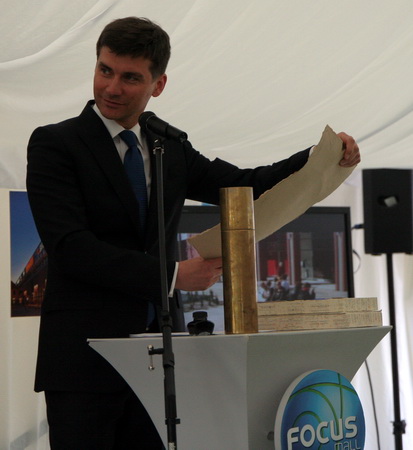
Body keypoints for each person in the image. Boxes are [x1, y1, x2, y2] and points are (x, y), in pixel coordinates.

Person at [26, 16, 360, 450]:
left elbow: (242, 185)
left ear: (158, 85)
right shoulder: (55, 144)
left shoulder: (167, 145)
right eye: (105, 70)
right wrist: (172, 276)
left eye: (130, 78)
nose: (111, 87)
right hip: (82, 362)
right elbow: (71, 249)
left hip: (161, 358)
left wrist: (319, 155)